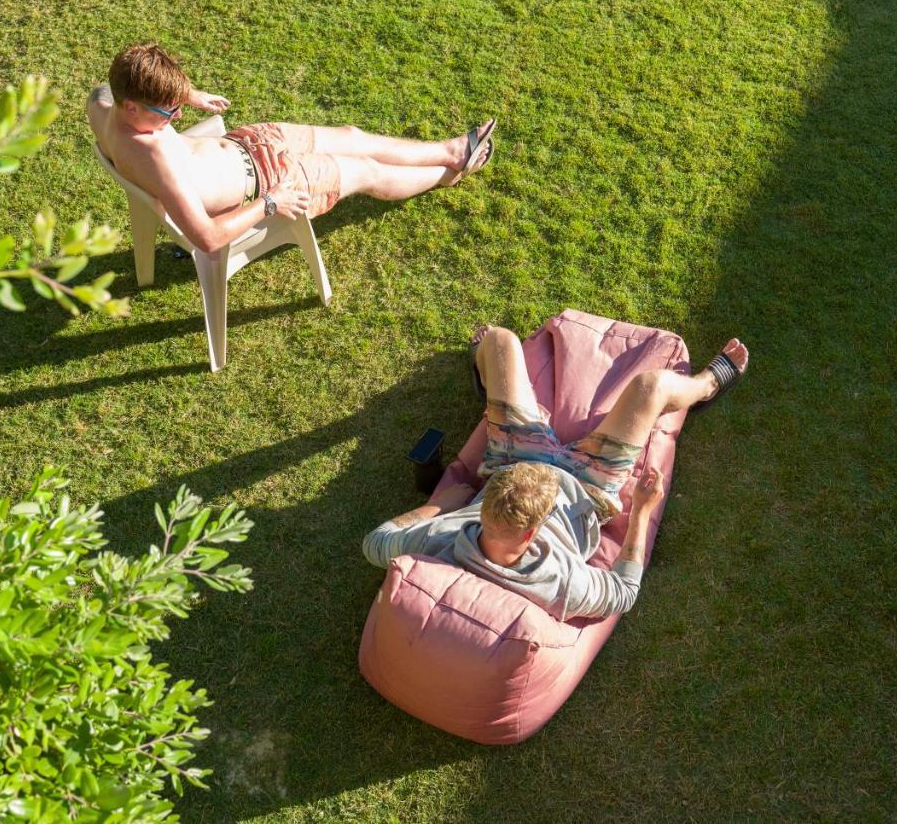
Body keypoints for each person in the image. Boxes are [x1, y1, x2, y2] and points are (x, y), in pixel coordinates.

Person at [363, 325, 749, 621]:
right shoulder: (559, 583)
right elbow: (623, 592)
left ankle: (485, 367)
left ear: (483, 509)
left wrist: (436, 507)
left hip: (514, 458)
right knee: (649, 387)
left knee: (499, 340)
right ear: (533, 533)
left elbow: (376, 542)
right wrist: (643, 511)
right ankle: (707, 384)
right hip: (587, 484)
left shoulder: (442, 536)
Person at [87, 43, 495, 254]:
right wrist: (271, 202)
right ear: (132, 107)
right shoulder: (154, 158)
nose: (176, 117)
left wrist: (187, 95)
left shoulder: (102, 102)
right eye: (167, 112)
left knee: (351, 136)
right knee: (366, 170)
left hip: (247, 143)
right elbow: (208, 238)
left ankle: (451, 149)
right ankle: (449, 172)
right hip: (268, 183)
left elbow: (113, 85)